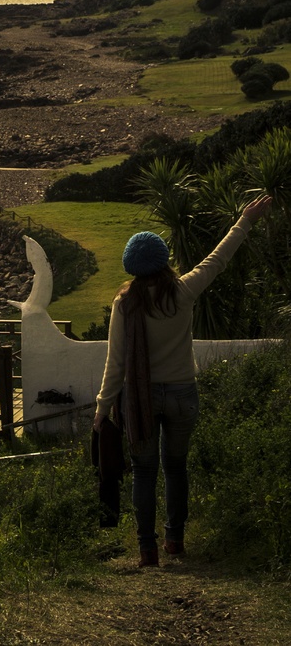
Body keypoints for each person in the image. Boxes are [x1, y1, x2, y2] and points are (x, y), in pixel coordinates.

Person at [93, 194, 272, 567]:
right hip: (181, 394)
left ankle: (147, 549)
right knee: (176, 468)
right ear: (163, 262)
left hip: (139, 399)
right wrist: (245, 220)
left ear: (132, 267)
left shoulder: (124, 303)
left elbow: (116, 362)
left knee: (144, 472)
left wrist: (102, 408)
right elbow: (219, 259)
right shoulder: (185, 290)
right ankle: (175, 540)